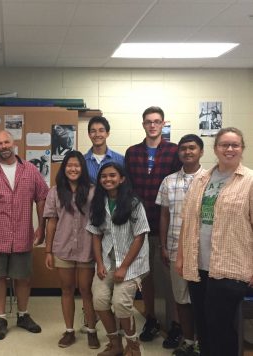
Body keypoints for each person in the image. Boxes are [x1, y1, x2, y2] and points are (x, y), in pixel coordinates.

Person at [176, 127, 253, 356]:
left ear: (242, 149)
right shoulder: (201, 180)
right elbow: (187, 222)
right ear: (215, 149)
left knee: (221, 327)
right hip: (198, 265)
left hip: (231, 267)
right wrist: (180, 256)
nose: (229, 149)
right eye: (224, 145)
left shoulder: (249, 181)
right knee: (203, 324)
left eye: (235, 145)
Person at [0, 130, 49, 340]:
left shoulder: (31, 170)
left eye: (6, 142)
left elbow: (42, 198)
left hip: (23, 235)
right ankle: (1, 318)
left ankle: (23, 316)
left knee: (23, 278)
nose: (4, 146)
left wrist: (41, 227)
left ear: (13, 143)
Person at [125, 106, 181, 342]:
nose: (153, 125)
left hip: (165, 226)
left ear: (163, 124)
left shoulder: (174, 151)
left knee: (170, 279)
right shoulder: (132, 152)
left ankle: (176, 324)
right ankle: (151, 319)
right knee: (145, 277)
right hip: (138, 227)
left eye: (157, 121)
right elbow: (127, 189)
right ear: (143, 124)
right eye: (148, 121)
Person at [87, 162, 150, 356]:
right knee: (99, 300)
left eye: (112, 175)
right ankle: (115, 344)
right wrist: (99, 263)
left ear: (121, 178)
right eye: (103, 176)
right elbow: (96, 235)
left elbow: (140, 236)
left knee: (121, 303)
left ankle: (133, 346)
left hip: (132, 262)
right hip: (107, 260)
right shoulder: (98, 203)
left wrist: (123, 267)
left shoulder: (133, 203)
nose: (108, 179)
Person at [43, 151, 99, 349]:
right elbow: (51, 222)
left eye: (77, 165)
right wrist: (48, 251)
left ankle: (92, 330)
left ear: (82, 168)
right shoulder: (55, 192)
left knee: (86, 291)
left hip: (87, 249)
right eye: (69, 165)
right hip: (63, 248)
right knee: (66, 290)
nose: (73, 169)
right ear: (64, 168)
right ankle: (69, 331)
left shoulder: (93, 191)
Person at [156, 134, 204, 355]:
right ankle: (188, 341)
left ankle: (205, 341)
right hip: (176, 249)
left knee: (203, 299)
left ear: (201, 151)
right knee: (181, 298)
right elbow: (164, 215)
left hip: (204, 253)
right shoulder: (169, 181)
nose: (187, 152)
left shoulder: (210, 179)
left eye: (192, 148)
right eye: (183, 148)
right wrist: (164, 246)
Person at [84, 116, 124, 183]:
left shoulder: (121, 160)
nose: (97, 134)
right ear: (89, 135)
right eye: (93, 131)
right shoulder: (82, 161)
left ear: (107, 134)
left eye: (101, 130)